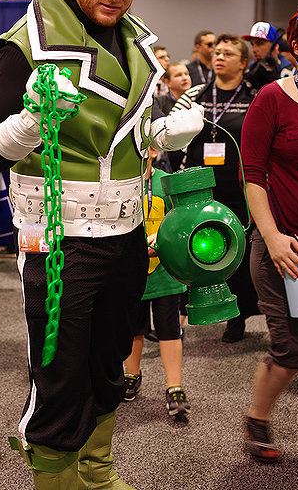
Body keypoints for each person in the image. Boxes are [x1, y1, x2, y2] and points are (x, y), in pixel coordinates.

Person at [0, 0, 204, 489]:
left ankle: (96, 470)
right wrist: (27, 124)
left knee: (109, 362)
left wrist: (165, 133)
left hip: (124, 236)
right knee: (59, 375)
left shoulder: (137, 43)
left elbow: (120, 142)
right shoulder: (26, 45)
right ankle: (56, 478)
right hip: (58, 240)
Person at [241, 5, 298, 464]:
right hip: (285, 248)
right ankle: (257, 416)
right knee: (294, 348)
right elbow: (252, 173)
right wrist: (270, 236)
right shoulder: (272, 98)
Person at [173, 34, 260, 342]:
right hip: (200, 190)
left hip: (240, 190)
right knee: (197, 250)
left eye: (228, 53)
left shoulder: (255, 95)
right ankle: (184, 315)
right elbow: (174, 133)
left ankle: (239, 317)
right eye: (217, 52)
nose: (219, 57)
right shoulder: (195, 94)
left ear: (244, 63)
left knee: (239, 253)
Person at [123, 147, 189, 418]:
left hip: (165, 270)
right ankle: (131, 375)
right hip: (130, 269)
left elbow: (181, 221)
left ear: (154, 150)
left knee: (169, 329)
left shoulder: (166, 183)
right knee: (133, 329)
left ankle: (174, 387)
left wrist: (163, 241)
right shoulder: (122, 183)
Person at [242, 21, 293, 89]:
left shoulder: (290, 73)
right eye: (252, 44)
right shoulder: (249, 70)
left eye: (260, 43)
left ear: (276, 46)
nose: (253, 50)